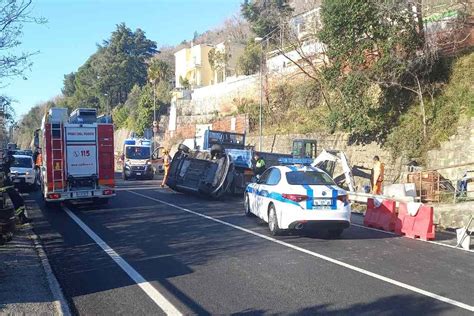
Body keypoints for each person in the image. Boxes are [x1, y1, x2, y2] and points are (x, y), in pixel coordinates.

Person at [1, 151, 31, 224]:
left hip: (9, 188)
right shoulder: (3, 167)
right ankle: (21, 218)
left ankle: (21, 218)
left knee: (19, 202)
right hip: (6, 189)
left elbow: (12, 160)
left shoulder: (5, 166)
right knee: (18, 202)